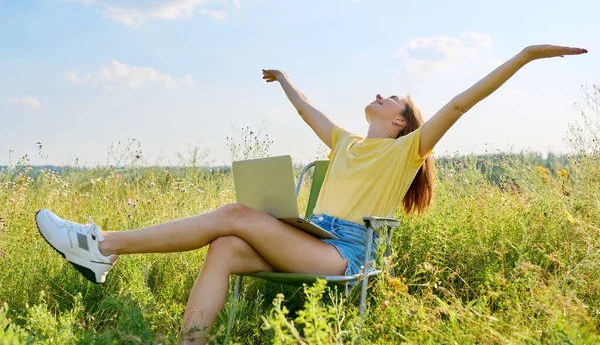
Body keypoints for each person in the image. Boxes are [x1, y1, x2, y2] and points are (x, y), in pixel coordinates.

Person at [35, 45, 587, 344]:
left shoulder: (407, 150)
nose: (378, 93)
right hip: (314, 236)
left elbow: (464, 103)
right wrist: (285, 80)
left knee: (233, 213)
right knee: (224, 246)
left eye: (390, 95)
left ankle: (100, 245)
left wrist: (525, 55)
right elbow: (307, 112)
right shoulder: (345, 144)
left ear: (401, 122)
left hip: (345, 251)